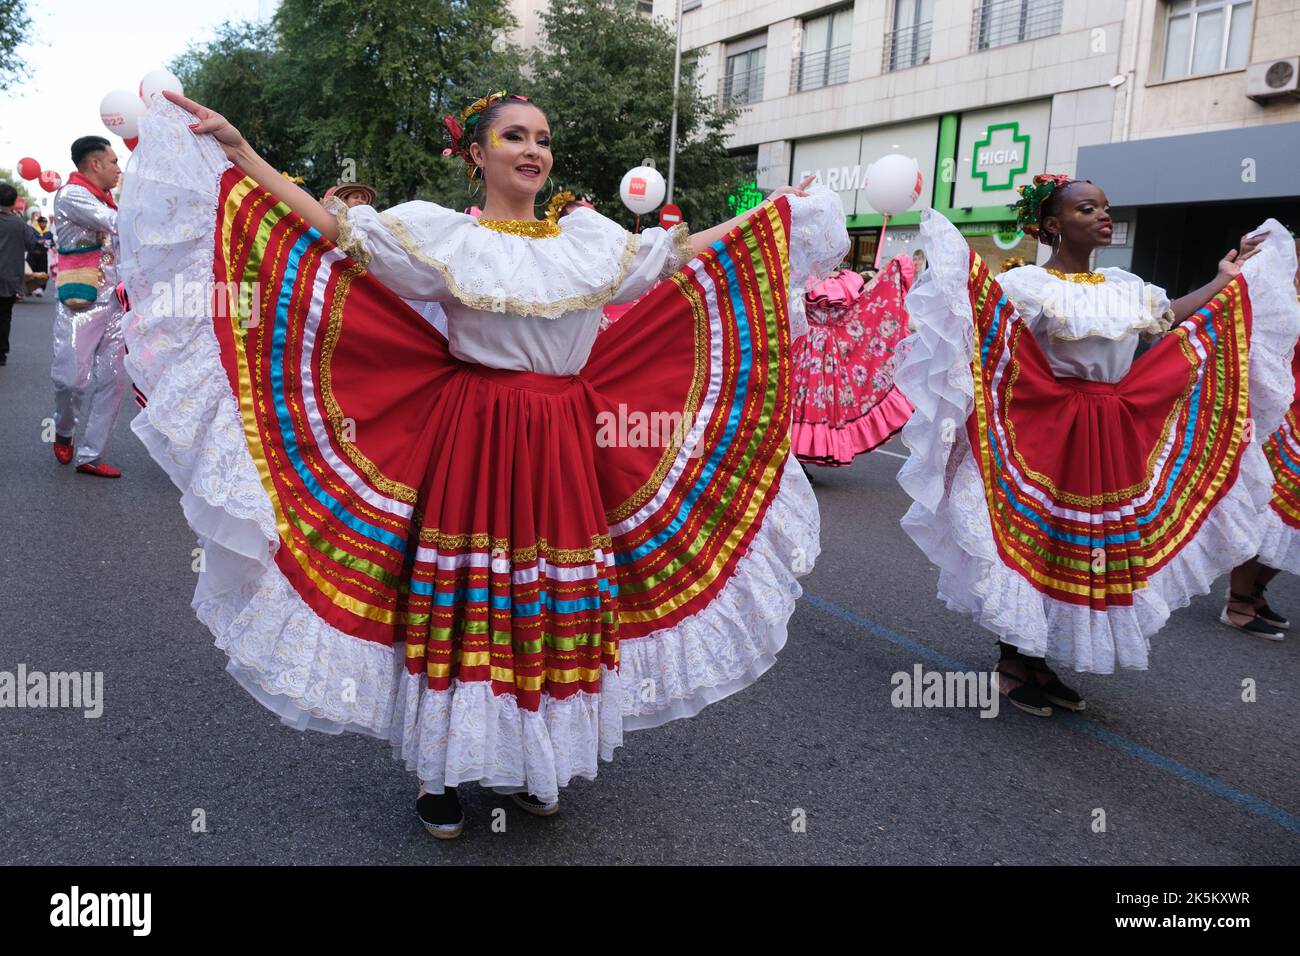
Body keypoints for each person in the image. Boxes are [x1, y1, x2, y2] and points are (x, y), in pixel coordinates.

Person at [119, 90, 846, 838]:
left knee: (543, 601)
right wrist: (242, 154)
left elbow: (685, 254)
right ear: (477, 155)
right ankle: (438, 775)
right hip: (473, 434)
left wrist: (775, 212)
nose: (533, 150)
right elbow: (332, 229)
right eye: (514, 137)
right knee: (467, 598)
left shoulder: (589, 240)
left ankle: (537, 764)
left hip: (563, 438)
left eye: (541, 138)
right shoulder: (440, 236)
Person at [894, 173, 1300, 716]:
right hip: (1048, 430)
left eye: (1105, 207)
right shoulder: (1027, 287)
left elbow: (1170, 318)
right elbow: (994, 344)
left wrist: (1225, 280)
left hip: (1113, 427)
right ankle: (1014, 661)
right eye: (1087, 209)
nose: (1103, 216)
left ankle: (1038, 659)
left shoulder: (1123, 284)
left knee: (1085, 545)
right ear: (1053, 226)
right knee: (1040, 537)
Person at [50, 135, 128, 477]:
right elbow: (117, 224)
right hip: (80, 304)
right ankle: (64, 430)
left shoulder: (110, 200)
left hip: (115, 303)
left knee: (113, 379)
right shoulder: (72, 196)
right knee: (71, 381)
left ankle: (90, 455)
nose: (118, 168)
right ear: (95, 163)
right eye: (113, 162)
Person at [792, 256, 915, 466]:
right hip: (823, 350)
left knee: (808, 403)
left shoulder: (814, 279)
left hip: (813, 349)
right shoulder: (813, 279)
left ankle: (797, 459)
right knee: (809, 404)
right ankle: (796, 459)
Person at [1246, 231, 1300, 640]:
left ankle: (1258, 591)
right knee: (1273, 506)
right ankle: (1238, 599)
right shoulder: (1280, 292)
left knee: (1295, 517)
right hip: (1287, 409)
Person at [0, 183, 36, 366]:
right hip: (9, 278)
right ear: (14, 202)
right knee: (5, 316)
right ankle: (1, 354)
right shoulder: (19, 224)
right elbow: (31, 244)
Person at [27, 212, 52, 296]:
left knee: (42, 272)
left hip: (43, 254)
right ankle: (28, 289)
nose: (44, 224)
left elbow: (51, 242)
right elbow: (29, 240)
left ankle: (40, 288)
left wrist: (48, 243)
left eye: (45, 223)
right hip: (33, 254)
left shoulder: (48, 232)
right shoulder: (32, 229)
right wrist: (37, 241)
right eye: (42, 222)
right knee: (30, 272)